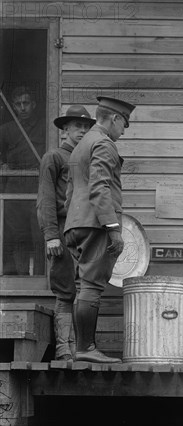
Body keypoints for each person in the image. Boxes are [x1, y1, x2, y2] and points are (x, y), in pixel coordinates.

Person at [64, 96, 135, 363]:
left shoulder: (81, 145)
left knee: (83, 285)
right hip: (96, 224)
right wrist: (113, 227)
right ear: (115, 119)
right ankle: (86, 348)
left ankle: (82, 347)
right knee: (92, 286)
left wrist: (73, 223)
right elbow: (100, 186)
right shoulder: (104, 144)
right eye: (124, 123)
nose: (124, 130)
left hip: (76, 224)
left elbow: (70, 193)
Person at [36, 105, 95, 361]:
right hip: (61, 229)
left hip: (85, 230)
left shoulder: (90, 159)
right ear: (65, 129)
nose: (82, 131)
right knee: (64, 288)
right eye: (76, 126)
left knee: (87, 288)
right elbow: (46, 199)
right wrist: (50, 234)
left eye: (86, 127)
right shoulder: (54, 157)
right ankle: (63, 347)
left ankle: (82, 347)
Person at [0, 86, 46, 275]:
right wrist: (2, 164)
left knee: (38, 234)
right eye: (18, 104)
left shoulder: (44, 126)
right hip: (14, 186)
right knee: (17, 235)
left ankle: (41, 277)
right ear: (13, 106)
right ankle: (20, 277)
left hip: (37, 184)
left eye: (26, 103)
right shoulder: (5, 130)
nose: (22, 108)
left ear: (33, 105)